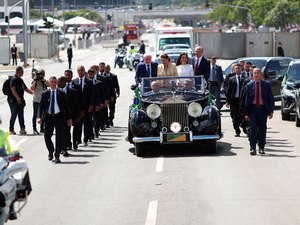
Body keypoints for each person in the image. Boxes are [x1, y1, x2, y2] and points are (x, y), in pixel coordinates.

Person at [38, 76, 72, 163]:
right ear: (49, 83)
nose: (53, 83)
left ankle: (57, 155)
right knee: (47, 136)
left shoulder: (61, 93)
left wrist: (69, 119)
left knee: (59, 137)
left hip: (59, 117)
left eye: (54, 82)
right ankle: (51, 151)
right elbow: (41, 107)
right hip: (48, 117)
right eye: (51, 82)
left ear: (57, 83)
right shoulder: (45, 93)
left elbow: (67, 107)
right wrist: (39, 117)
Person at [243, 68, 274, 155]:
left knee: (262, 128)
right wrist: (246, 113)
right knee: (252, 128)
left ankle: (261, 147)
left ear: (261, 75)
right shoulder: (249, 85)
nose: (256, 75)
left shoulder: (266, 85)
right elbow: (246, 100)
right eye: (254, 73)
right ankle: (252, 148)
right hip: (252, 109)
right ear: (252, 75)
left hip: (262, 109)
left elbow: (270, 99)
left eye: (258, 73)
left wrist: (271, 111)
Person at [73, 66, 94, 146]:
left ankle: (86, 139)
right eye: (79, 70)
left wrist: (91, 105)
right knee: (78, 124)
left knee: (87, 124)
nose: (80, 72)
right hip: (78, 107)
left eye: (82, 70)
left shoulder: (89, 81)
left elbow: (92, 94)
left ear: (84, 71)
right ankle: (77, 140)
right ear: (77, 71)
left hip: (87, 106)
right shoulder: (74, 81)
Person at [58, 76, 79, 157]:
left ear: (64, 82)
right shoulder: (56, 91)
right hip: (59, 116)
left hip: (68, 116)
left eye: (59, 82)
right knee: (61, 133)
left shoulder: (72, 91)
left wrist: (77, 116)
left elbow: (76, 104)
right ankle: (63, 147)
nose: (57, 83)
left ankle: (66, 147)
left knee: (66, 132)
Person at [8, 67, 33, 135]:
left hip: (20, 100)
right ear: (18, 72)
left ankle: (22, 129)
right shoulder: (13, 79)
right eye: (22, 72)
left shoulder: (20, 80)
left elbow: (25, 88)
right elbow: (13, 89)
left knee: (21, 115)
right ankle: (11, 129)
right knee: (14, 114)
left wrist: (32, 93)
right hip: (13, 100)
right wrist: (17, 98)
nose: (23, 73)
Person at [225, 64, 247, 137]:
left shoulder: (245, 79)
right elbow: (229, 91)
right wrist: (227, 101)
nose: (238, 69)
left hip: (243, 101)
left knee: (243, 115)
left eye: (239, 68)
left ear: (241, 69)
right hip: (234, 100)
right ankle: (237, 130)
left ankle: (243, 126)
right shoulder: (231, 79)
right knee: (234, 116)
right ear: (234, 70)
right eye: (236, 68)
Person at [30, 69, 49, 135]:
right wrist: (35, 81)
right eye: (40, 74)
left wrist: (43, 80)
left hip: (44, 101)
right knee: (35, 115)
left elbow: (49, 85)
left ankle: (42, 128)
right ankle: (34, 129)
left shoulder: (45, 81)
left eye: (43, 74)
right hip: (36, 100)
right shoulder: (35, 81)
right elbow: (32, 89)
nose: (41, 75)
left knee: (43, 115)